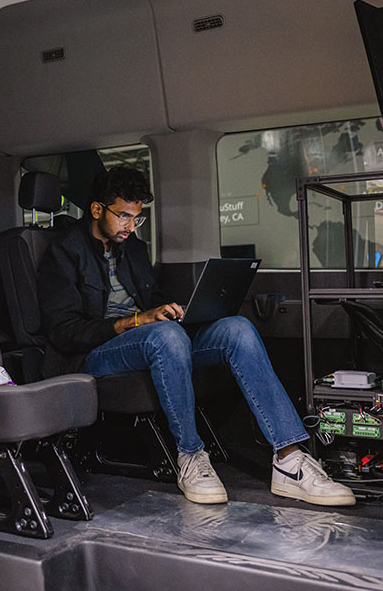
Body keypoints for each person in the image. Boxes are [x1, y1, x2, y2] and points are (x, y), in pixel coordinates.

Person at [37, 166, 355, 506]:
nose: (131, 226)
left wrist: (173, 311)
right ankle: (190, 455)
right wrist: (136, 321)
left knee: (237, 328)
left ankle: (290, 460)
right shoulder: (64, 253)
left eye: (137, 219)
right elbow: (65, 333)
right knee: (165, 337)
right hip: (96, 352)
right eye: (124, 217)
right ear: (98, 209)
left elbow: (150, 302)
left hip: (149, 337)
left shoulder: (133, 249)